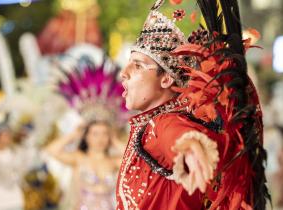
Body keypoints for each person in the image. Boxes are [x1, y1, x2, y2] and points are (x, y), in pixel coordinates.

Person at [116, 0, 270, 209]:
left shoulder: (162, 123)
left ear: (166, 79)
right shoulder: (151, 123)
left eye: (138, 66)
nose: (123, 73)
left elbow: (175, 133)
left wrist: (190, 146)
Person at [46, 121, 122, 210]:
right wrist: (73, 135)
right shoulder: (78, 158)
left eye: (105, 134)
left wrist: (115, 140)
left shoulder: (113, 161)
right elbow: (51, 150)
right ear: (86, 136)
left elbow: (135, 158)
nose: (100, 138)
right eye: (95, 134)